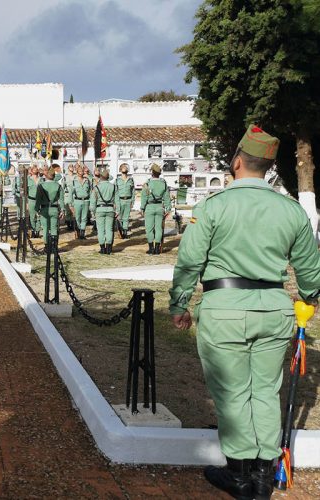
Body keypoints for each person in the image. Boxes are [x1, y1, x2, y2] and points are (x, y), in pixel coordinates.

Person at [169, 125, 320, 500]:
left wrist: (179, 304)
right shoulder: (291, 210)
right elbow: (309, 268)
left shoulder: (213, 208)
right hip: (274, 309)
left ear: (236, 162)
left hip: (225, 309)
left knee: (233, 391)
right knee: (267, 391)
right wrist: (309, 298)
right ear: (268, 168)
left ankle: (239, 474)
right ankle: (264, 475)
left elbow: (189, 262)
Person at [140, 163, 171, 255]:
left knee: (149, 229)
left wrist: (142, 208)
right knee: (158, 228)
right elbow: (166, 197)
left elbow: (144, 197)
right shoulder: (163, 183)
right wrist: (168, 209)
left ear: (152, 172)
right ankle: (157, 249)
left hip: (149, 207)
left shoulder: (147, 184)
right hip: (159, 207)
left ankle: (151, 248)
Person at [35, 166, 63, 247]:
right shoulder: (58, 186)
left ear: (46, 176)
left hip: (44, 209)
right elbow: (61, 199)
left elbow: (38, 200)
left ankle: (47, 246)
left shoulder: (41, 186)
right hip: (54, 208)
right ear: (54, 176)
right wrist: (62, 210)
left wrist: (37, 209)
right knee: (54, 228)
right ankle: (54, 246)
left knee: (45, 228)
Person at [91, 169, 117, 254]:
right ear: (108, 177)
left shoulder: (96, 187)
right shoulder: (113, 186)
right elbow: (117, 200)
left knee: (101, 230)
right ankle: (109, 248)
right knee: (109, 229)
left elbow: (93, 202)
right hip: (110, 209)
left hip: (99, 209)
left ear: (101, 177)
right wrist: (118, 211)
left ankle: (102, 248)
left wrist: (93, 212)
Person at [71, 164, 91, 239]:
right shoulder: (74, 181)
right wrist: (71, 204)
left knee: (84, 218)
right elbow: (71, 193)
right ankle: (78, 232)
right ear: (77, 172)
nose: (81, 172)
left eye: (82, 170)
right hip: (77, 201)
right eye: (79, 170)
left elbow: (90, 191)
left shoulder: (87, 180)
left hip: (86, 200)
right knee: (77, 217)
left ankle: (82, 234)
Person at [115, 163, 135, 238]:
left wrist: (132, 201)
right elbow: (116, 193)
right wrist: (116, 203)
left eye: (126, 166)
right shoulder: (117, 180)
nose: (124, 167)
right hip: (120, 200)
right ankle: (120, 231)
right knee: (119, 217)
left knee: (126, 217)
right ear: (120, 170)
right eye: (122, 167)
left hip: (128, 200)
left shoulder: (131, 180)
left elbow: (133, 191)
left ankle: (125, 232)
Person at [27, 165, 43, 238]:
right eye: (34, 169)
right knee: (32, 217)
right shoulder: (28, 180)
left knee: (39, 216)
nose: (35, 170)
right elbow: (26, 192)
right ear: (31, 171)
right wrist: (26, 203)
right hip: (31, 200)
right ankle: (33, 230)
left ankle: (37, 230)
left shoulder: (41, 179)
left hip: (40, 200)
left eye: (36, 169)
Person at [62, 164, 75, 233]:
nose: (72, 168)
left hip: (74, 195)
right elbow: (63, 186)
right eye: (70, 167)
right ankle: (68, 225)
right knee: (67, 211)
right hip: (67, 195)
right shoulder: (65, 177)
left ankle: (72, 224)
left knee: (73, 211)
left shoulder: (75, 176)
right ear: (68, 168)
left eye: (72, 167)